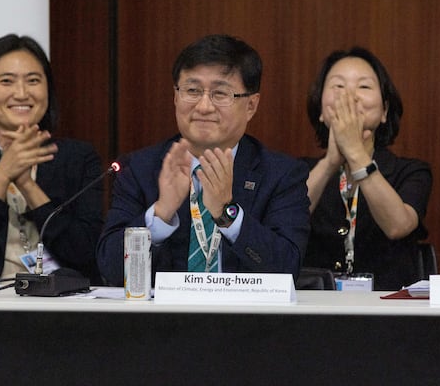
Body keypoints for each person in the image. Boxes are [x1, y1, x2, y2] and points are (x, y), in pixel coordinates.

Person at [96, 34, 311, 285]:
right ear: (176, 97)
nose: (204, 106)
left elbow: (286, 270)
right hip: (162, 321)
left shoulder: (281, 174)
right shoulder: (141, 169)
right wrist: (161, 214)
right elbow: (110, 272)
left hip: (246, 321)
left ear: (251, 105)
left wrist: (226, 214)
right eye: (192, 90)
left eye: (221, 93)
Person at [0, 35, 103, 281]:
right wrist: (2, 174)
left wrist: (28, 184)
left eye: (33, 81)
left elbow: (85, 253)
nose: (21, 93)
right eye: (7, 81)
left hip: (63, 306)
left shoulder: (78, 158)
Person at [302, 47, 432, 291]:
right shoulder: (299, 172)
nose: (350, 96)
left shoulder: (411, 171)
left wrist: (355, 153)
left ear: (384, 111)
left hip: (388, 311)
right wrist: (330, 163)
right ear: (321, 110)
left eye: (364, 87)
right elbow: (286, 218)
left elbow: (397, 226)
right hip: (313, 310)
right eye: (338, 87)